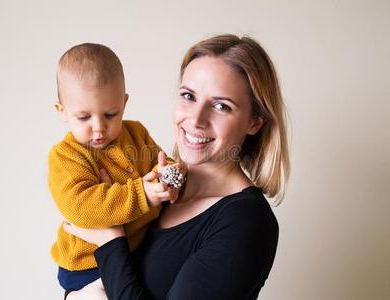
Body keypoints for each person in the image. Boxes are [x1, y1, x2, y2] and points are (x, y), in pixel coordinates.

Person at [62, 34, 290, 299]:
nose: (196, 119)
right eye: (188, 96)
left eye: (221, 106)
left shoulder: (247, 223)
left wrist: (110, 240)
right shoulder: (152, 186)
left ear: (255, 122)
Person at [48, 43, 184, 297]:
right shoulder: (66, 156)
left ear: (124, 102)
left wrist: (167, 177)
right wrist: (143, 194)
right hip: (87, 266)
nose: (99, 127)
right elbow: (83, 208)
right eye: (84, 117)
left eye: (111, 114)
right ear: (62, 111)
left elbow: (157, 164)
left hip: (133, 253)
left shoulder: (136, 133)